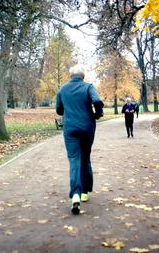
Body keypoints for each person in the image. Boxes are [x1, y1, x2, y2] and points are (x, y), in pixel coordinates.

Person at [56, 65, 104, 215]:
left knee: (74, 160)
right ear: (83, 76)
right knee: (85, 158)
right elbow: (97, 100)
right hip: (87, 127)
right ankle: (84, 192)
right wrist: (98, 113)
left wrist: (68, 108)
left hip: (70, 129)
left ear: (71, 76)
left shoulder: (62, 89)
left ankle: (75, 194)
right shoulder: (89, 87)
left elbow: (59, 110)